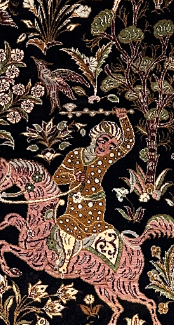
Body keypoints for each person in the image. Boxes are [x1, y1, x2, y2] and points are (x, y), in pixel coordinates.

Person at [50, 109, 134, 269]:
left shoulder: (106, 159)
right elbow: (57, 177)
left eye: (111, 146)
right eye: (104, 140)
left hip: (94, 205)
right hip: (74, 205)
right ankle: (65, 258)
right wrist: (73, 177)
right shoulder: (75, 155)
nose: (105, 146)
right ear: (95, 136)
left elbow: (128, 143)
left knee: (89, 230)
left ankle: (69, 261)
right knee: (66, 225)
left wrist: (123, 118)